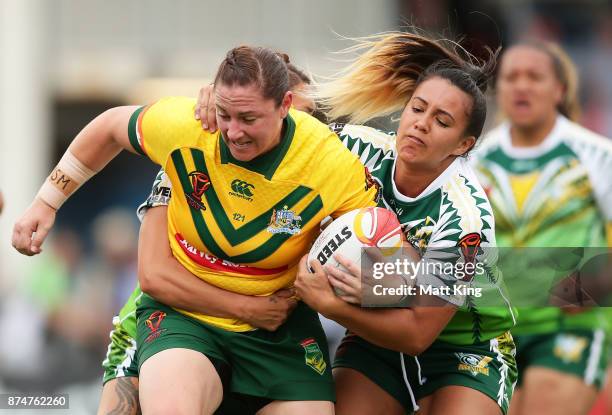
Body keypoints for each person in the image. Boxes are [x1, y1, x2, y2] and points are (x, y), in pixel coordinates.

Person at [12, 46, 378, 415]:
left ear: (284, 107)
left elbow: (387, 255)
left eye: (248, 118)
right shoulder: (189, 132)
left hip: (277, 326)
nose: (233, 132)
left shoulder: (330, 162)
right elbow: (153, 276)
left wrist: (406, 293)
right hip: (184, 316)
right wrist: (46, 201)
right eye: (225, 114)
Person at [97, 63, 319, 415]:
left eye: (309, 122)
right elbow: (154, 277)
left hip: (267, 344)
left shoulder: (321, 172)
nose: (298, 134)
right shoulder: (190, 161)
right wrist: (247, 308)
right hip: (165, 328)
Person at [472, 41, 612, 415]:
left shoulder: (598, 155)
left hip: (567, 328)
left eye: (534, 77)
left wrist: (592, 286)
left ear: (560, 90)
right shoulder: (475, 162)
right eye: (511, 77)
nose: (521, 86)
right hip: (495, 330)